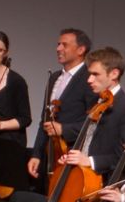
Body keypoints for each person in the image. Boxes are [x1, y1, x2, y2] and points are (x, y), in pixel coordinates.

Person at [27, 28, 97, 180]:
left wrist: (64, 129)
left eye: (64, 45)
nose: (58, 48)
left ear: (81, 50)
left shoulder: (90, 79)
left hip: (73, 154)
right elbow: (45, 119)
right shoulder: (54, 77)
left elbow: (94, 123)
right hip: (50, 154)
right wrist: (36, 154)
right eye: (58, 44)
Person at [59, 47, 125, 175]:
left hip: (104, 180)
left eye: (95, 74)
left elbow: (124, 157)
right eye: (90, 74)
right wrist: (72, 156)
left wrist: (90, 161)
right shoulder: (95, 101)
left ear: (114, 74)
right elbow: (88, 140)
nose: (89, 80)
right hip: (82, 175)